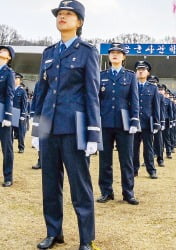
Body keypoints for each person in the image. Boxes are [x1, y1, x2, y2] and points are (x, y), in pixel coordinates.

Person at [31, 1, 100, 249]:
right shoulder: (49, 53)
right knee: (50, 183)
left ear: (79, 22)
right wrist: (37, 129)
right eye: (60, 14)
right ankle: (53, 232)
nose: (62, 17)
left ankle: (86, 238)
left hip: (75, 128)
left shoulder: (88, 51)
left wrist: (94, 135)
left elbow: (92, 94)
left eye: (69, 14)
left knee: (80, 185)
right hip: (49, 126)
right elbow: (42, 91)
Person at [97, 43, 139, 205]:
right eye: (112, 53)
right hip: (105, 122)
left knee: (126, 159)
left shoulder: (130, 76)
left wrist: (135, 120)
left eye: (118, 53)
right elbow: (96, 100)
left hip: (124, 123)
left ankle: (128, 192)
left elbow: (134, 100)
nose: (115, 55)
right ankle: (106, 192)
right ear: (109, 57)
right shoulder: (101, 75)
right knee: (105, 159)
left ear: (123, 57)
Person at [132, 60, 160, 179]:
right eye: (139, 70)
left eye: (143, 70)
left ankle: (151, 170)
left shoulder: (153, 88)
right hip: (134, 122)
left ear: (148, 73)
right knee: (133, 148)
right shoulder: (131, 85)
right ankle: (134, 169)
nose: (141, 71)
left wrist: (157, 123)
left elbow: (156, 106)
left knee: (148, 148)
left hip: (147, 123)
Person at [0, 45, 15, 187]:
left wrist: (8, 117)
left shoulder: (9, 73)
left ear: (9, 57)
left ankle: (8, 176)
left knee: (6, 148)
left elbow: (9, 95)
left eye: (4, 51)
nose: (1, 51)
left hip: (2, 115)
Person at [12, 72, 28, 153]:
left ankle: (21, 147)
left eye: (17, 79)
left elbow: (24, 104)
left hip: (19, 113)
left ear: (20, 80)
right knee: (10, 132)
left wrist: (22, 115)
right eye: (14, 78)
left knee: (20, 132)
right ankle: (9, 147)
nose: (15, 80)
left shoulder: (22, 91)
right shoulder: (10, 89)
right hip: (12, 113)